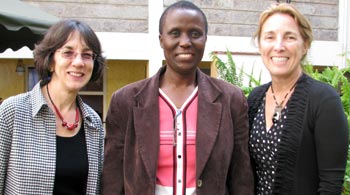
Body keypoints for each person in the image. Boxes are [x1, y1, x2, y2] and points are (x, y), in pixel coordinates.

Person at [102, 1, 254, 194]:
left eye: (195, 34)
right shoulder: (126, 101)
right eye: (175, 33)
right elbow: (112, 177)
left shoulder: (231, 100)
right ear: (161, 40)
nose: (185, 42)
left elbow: (241, 177)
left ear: (206, 39)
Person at [248, 3, 349, 195]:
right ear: (260, 45)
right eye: (270, 37)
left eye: (290, 37)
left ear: (305, 45)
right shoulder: (254, 99)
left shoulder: (323, 100)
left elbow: (330, 186)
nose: (279, 46)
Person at [0, 19, 105, 194]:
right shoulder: (12, 112)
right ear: (50, 61)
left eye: (87, 55)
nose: (79, 62)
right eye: (68, 53)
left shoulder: (93, 122)